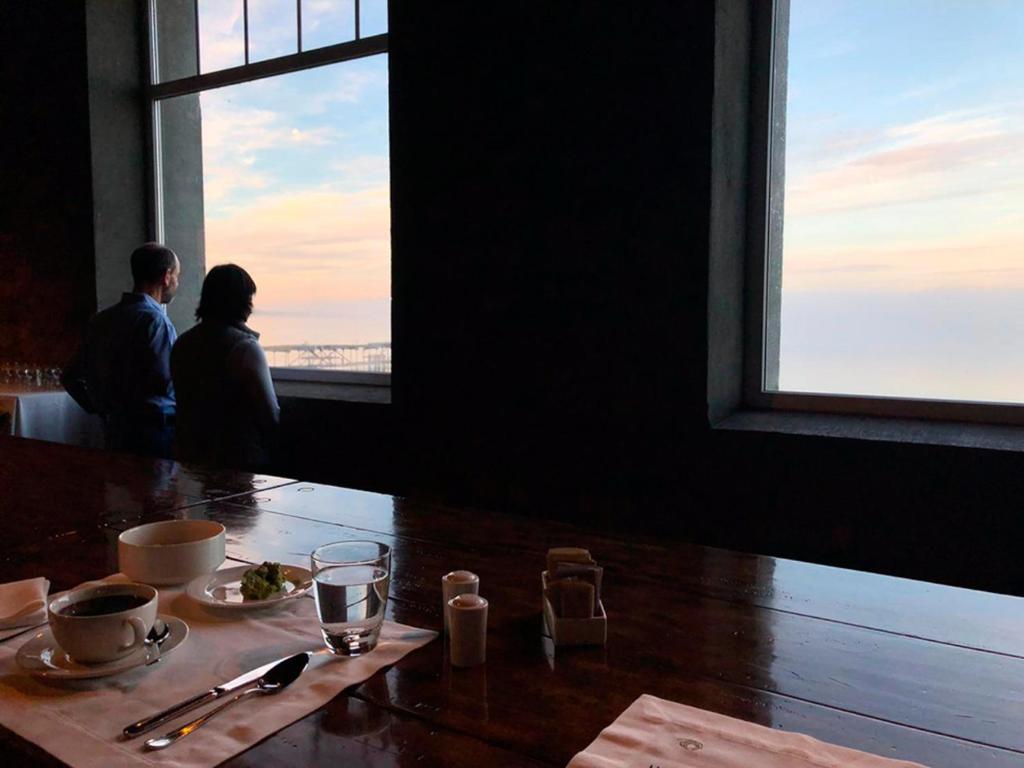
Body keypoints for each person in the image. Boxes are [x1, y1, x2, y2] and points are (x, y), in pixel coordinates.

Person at [63, 243, 180, 457]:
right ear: (166, 276)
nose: (177, 283)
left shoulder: (101, 320)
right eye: (176, 276)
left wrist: (98, 408)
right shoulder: (156, 322)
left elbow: (70, 376)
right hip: (154, 433)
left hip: (115, 433)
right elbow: (168, 383)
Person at [171, 264, 280, 470]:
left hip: (189, 455)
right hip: (238, 458)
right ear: (242, 302)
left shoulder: (182, 343)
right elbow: (270, 415)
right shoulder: (245, 347)